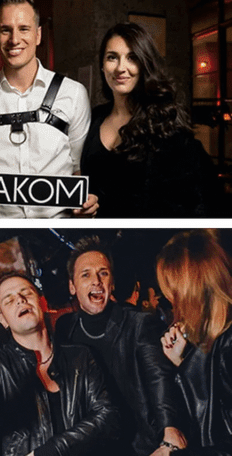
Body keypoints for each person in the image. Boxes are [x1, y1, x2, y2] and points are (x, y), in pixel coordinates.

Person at [0, 273, 119, 456]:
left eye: (26, 293)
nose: (20, 300)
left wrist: (49, 452)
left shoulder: (80, 355)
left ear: (42, 303)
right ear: (3, 320)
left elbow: (108, 416)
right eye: (9, 300)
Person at [0, 0, 98, 218]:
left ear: (38, 35)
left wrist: (85, 203)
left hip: (56, 226)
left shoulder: (73, 93)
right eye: (6, 30)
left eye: (24, 29)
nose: (14, 39)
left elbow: (78, 166)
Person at [50, 237, 186, 455]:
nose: (96, 281)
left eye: (103, 273)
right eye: (86, 275)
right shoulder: (66, 329)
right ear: (72, 286)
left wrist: (169, 429)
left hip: (139, 444)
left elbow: (158, 376)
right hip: (96, 446)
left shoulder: (138, 323)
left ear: (112, 283)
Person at [82, 23, 220, 218]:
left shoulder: (166, 123)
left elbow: (203, 200)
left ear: (145, 64)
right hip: (98, 233)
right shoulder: (93, 118)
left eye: (132, 58)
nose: (121, 68)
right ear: (102, 66)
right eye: (112, 57)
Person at [156, 229, 232, 453]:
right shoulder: (212, 339)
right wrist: (182, 363)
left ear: (191, 291)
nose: (170, 300)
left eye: (173, 291)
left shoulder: (227, 344)